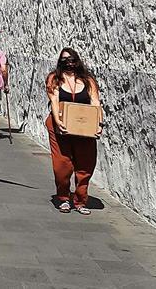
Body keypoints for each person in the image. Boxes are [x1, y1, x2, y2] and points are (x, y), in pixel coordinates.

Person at [46, 47, 102, 215]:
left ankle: (80, 200)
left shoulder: (88, 80)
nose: (69, 63)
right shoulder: (54, 79)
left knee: (86, 164)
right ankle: (63, 197)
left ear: (77, 61)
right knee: (62, 164)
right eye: (65, 60)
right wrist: (58, 122)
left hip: (84, 128)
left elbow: (95, 102)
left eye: (72, 60)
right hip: (60, 128)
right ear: (60, 62)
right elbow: (54, 101)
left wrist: (98, 124)